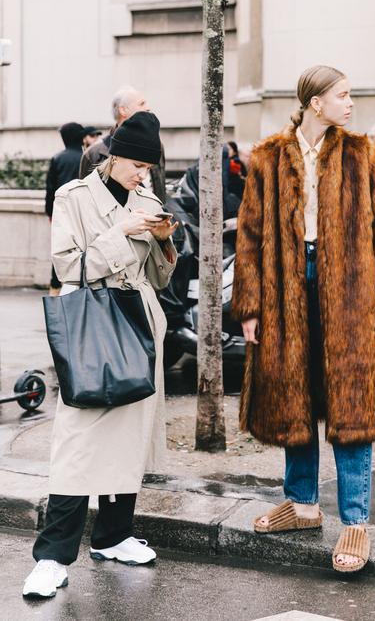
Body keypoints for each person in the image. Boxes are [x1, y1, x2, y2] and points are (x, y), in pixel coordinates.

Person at [232, 65, 375, 573]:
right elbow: (251, 237)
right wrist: (250, 306)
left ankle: (355, 521)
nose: (350, 104)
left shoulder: (360, 153)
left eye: (350, 95)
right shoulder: (267, 157)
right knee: (293, 396)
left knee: (352, 405)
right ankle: (302, 504)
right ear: (315, 102)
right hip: (286, 285)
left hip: (348, 287)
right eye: (342, 96)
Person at [23, 111, 179, 599]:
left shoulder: (147, 198)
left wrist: (162, 242)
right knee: (78, 442)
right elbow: (69, 266)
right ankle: (51, 557)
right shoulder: (74, 197)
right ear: (114, 157)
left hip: (140, 322)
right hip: (94, 325)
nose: (144, 175)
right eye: (137, 165)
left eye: (149, 168)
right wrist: (122, 232)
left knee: (131, 437)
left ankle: (113, 535)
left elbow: (159, 279)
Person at [79, 85, 167, 202]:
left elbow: (160, 188)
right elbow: (84, 198)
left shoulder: (158, 146)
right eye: (141, 103)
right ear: (122, 110)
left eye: (148, 168)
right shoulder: (93, 153)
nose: (148, 108)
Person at [45, 122, 86, 295]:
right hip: (83, 211)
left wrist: (50, 213)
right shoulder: (87, 157)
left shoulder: (58, 158)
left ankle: (55, 288)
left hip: (62, 211)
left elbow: (50, 189)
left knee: (61, 249)